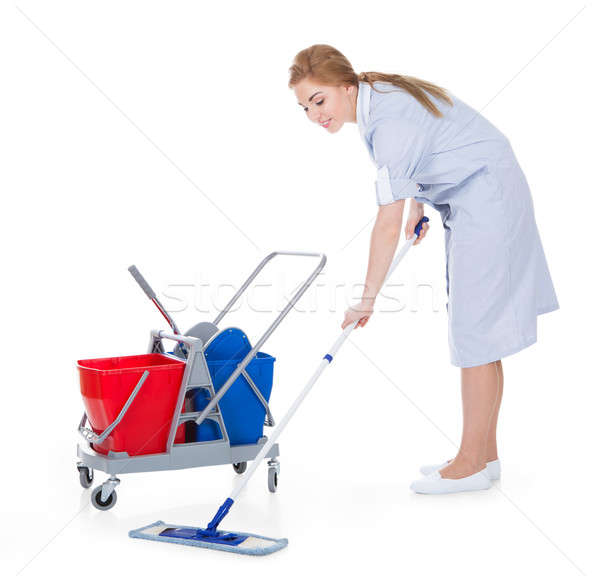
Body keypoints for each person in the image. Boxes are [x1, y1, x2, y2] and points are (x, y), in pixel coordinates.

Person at [290, 44, 559, 494]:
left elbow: (386, 222)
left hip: (487, 200)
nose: (315, 114)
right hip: (477, 197)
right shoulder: (380, 100)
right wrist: (419, 204)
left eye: (319, 100)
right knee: (480, 331)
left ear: (346, 86)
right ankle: (483, 457)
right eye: (304, 107)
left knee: (475, 332)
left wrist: (367, 297)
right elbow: (430, 144)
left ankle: (470, 463)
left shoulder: (386, 119)